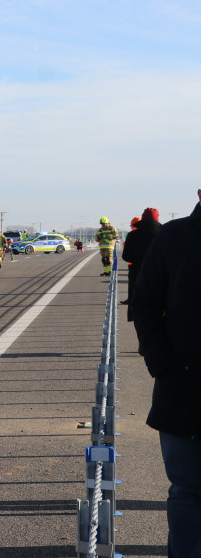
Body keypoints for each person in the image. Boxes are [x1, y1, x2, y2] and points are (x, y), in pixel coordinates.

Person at [132, 190, 201, 557]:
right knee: (187, 492)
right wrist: (162, 365)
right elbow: (144, 303)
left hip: (181, 384)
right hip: (185, 388)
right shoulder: (174, 237)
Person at [122, 208, 161, 317]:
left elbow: (126, 256)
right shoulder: (163, 234)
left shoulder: (132, 235)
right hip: (158, 274)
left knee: (138, 308)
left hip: (137, 274)